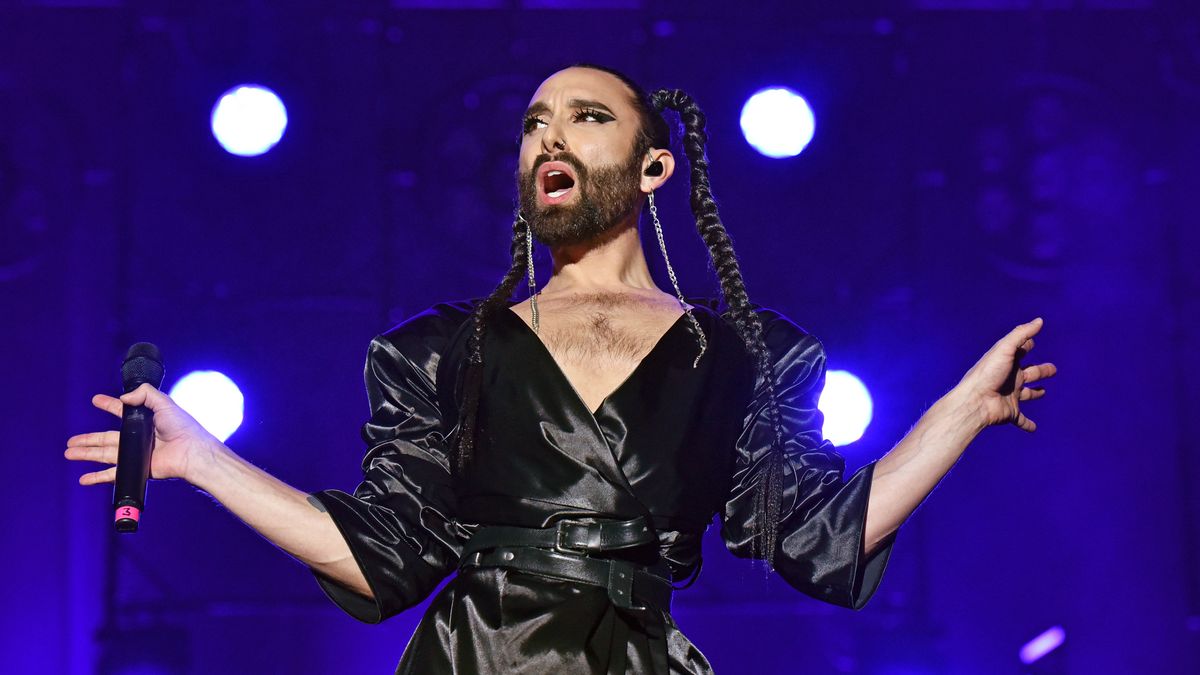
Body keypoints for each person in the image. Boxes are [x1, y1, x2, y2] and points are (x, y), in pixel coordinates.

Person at [65, 64, 1057, 674]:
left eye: (585, 117)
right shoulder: (438, 353)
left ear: (655, 167)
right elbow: (379, 554)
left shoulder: (744, 356)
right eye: (535, 122)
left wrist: (958, 416)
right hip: (472, 660)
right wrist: (200, 463)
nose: (549, 135)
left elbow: (821, 542)